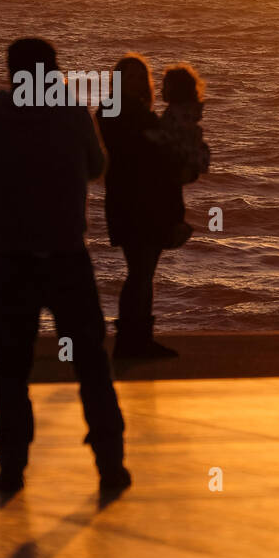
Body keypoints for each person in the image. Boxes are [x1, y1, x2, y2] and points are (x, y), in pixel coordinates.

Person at [0, 37, 131, 499]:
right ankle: (110, 463)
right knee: (91, 362)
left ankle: (12, 465)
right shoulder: (72, 113)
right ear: (54, 71)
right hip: (66, 255)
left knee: (11, 367)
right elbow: (97, 166)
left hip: (13, 256)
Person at [98, 55, 185, 360]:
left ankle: (137, 339)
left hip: (139, 202)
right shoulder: (119, 112)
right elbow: (147, 157)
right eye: (129, 77)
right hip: (134, 203)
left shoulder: (133, 114)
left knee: (143, 272)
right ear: (118, 81)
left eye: (140, 77)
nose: (136, 82)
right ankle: (132, 341)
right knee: (140, 272)